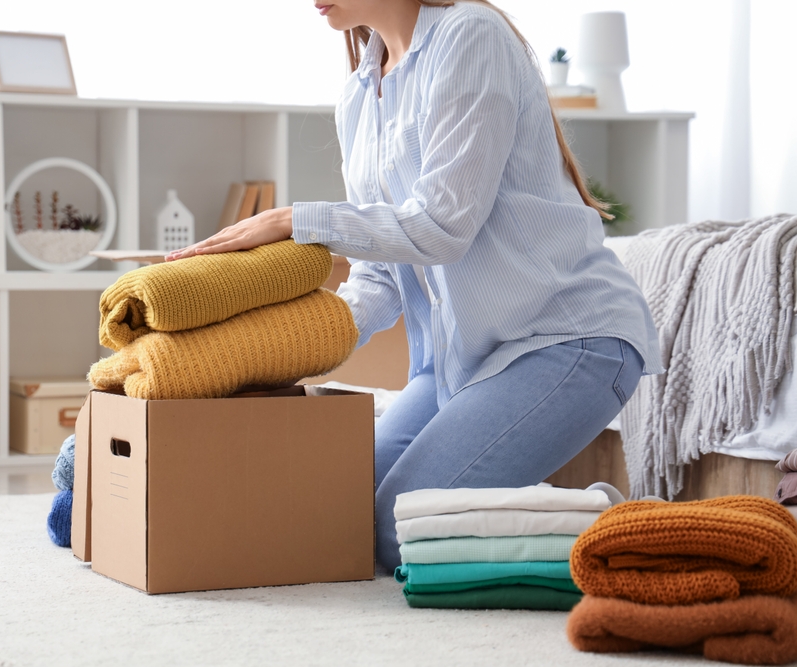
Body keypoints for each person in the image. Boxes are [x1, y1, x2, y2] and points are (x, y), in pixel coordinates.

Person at [166, 0, 662, 572]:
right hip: (461, 362)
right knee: (336, 512)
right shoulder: (359, 95)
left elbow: (443, 227)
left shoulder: (470, 37)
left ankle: (623, 530)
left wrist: (293, 220)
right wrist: (281, 351)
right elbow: (382, 274)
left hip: (568, 342)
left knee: (396, 535)